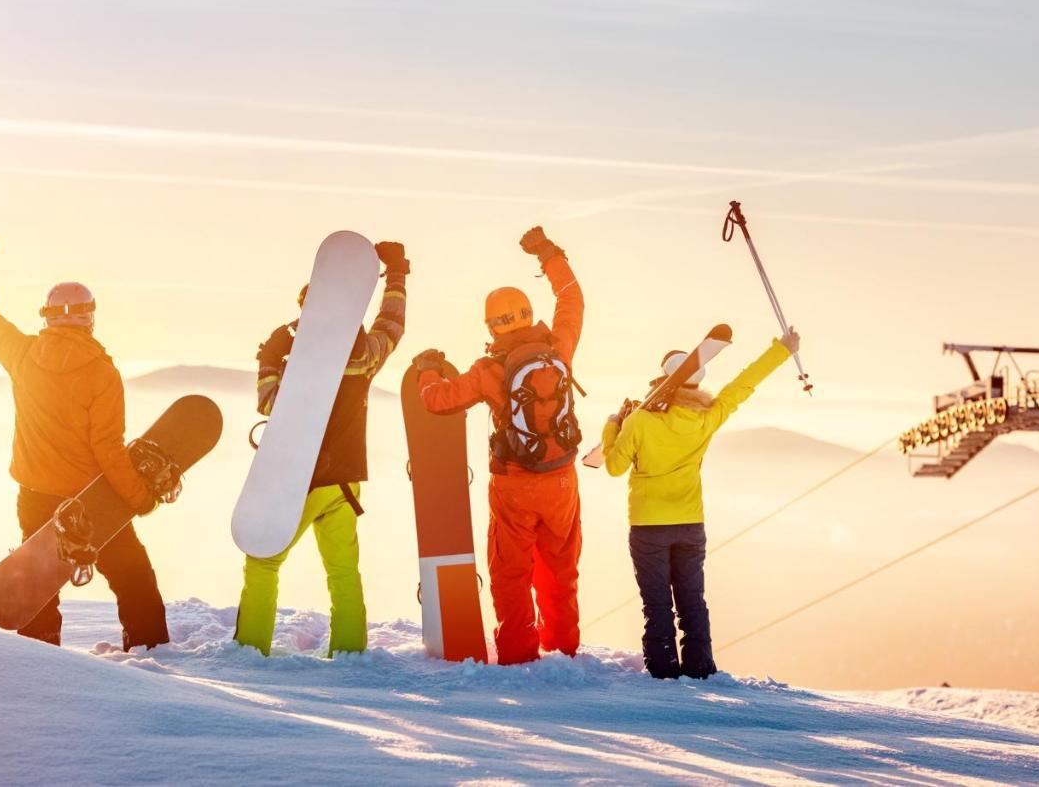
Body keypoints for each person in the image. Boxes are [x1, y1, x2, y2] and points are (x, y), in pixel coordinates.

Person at [0, 218, 170, 651]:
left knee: (38, 585)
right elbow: (107, 449)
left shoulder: (22, 355)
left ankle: (41, 662)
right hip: (92, 502)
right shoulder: (101, 373)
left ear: (48, 317)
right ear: (90, 319)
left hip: (35, 495)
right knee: (133, 577)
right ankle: (150, 653)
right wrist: (139, 497)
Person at [414, 227, 584, 665]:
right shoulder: (558, 349)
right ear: (528, 314)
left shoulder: (489, 369)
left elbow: (438, 402)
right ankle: (563, 648)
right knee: (560, 570)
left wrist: (427, 371)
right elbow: (571, 299)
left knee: (511, 572)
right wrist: (549, 254)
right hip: (563, 478)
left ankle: (518, 653)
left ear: (491, 325)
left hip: (514, 486)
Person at [234, 241, 409, 657]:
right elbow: (392, 325)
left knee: (263, 560)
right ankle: (349, 652)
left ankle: (250, 649)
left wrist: (272, 363)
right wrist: (398, 274)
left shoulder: (286, 344)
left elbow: (269, 404)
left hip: (297, 480)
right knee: (344, 572)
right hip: (344, 482)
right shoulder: (364, 353)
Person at [599, 327, 801, 679]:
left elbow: (614, 467)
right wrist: (782, 350)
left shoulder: (640, 421)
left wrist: (612, 426)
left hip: (648, 525)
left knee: (657, 603)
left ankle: (663, 670)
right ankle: (700, 667)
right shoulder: (707, 419)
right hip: (690, 523)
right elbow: (743, 385)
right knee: (692, 600)